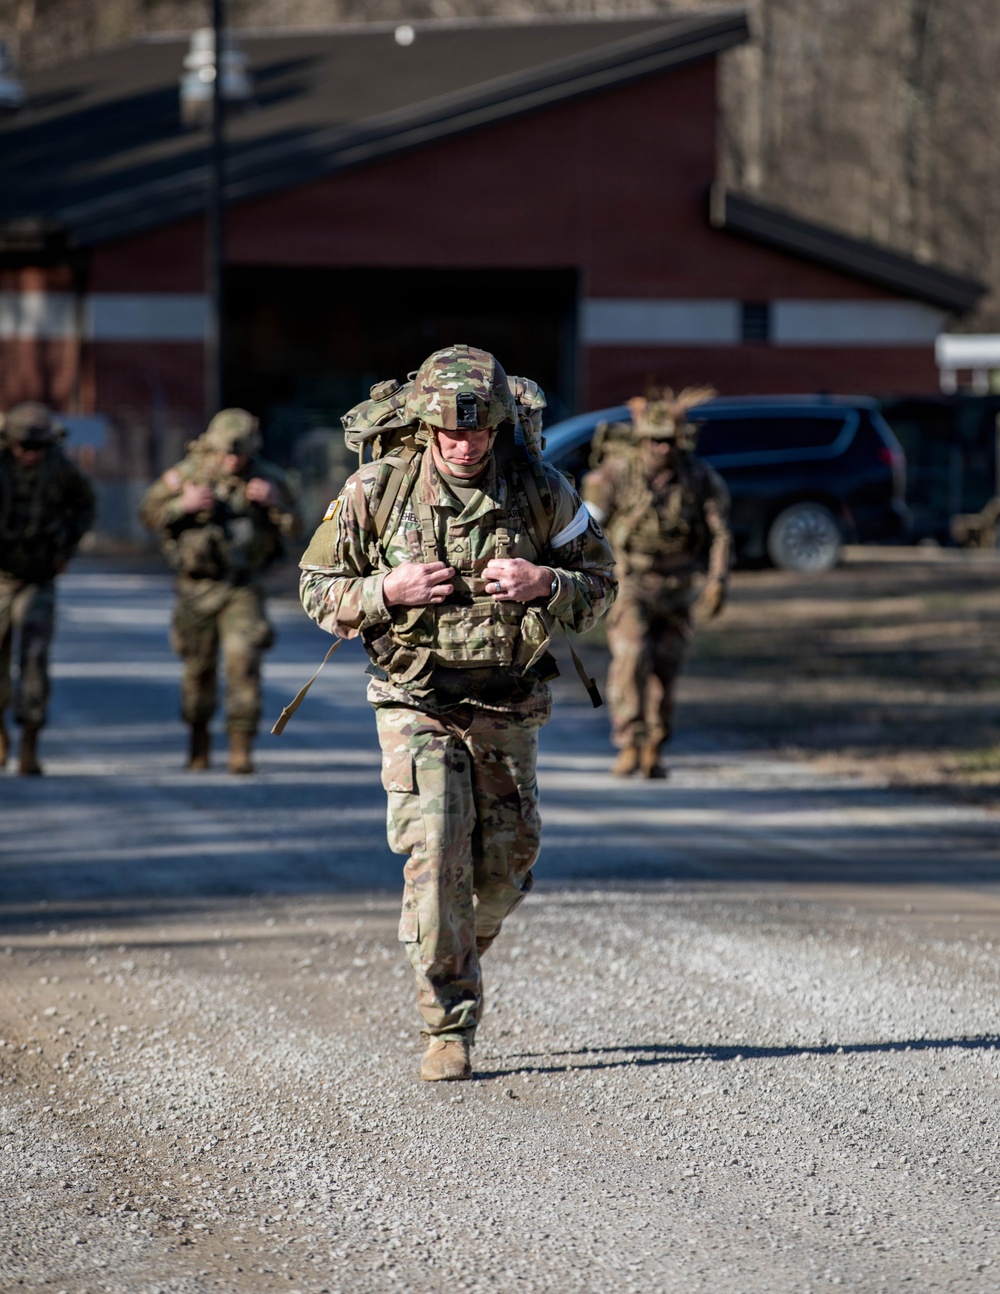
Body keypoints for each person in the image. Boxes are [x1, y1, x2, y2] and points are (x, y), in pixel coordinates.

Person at [299, 345, 617, 1082]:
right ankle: (448, 1021)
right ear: (424, 428)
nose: (461, 445)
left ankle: (444, 943)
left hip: (509, 700)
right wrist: (387, 592)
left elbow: (602, 584)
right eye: (446, 433)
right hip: (416, 698)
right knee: (438, 852)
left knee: (507, 867)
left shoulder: (541, 490)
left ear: (498, 426)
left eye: (475, 433)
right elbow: (317, 590)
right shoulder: (375, 490)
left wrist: (546, 583)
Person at [140, 408, 299, 775]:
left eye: (240, 454)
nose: (232, 461)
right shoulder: (187, 474)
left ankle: (240, 748)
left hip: (244, 587)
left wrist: (276, 503)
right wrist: (183, 504)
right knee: (198, 669)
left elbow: (301, 527)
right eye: (227, 453)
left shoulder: (268, 478)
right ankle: (198, 743)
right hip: (196, 589)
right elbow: (148, 513)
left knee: (243, 664)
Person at [581, 388, 730, 780]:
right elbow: (588, 527)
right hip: (631, 582)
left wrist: (718, 580)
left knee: (666, 669)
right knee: (631, 658)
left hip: (678, 587)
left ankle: (655, 746)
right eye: (655, 440)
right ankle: (629, 740)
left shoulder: (697, 476)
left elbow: (720, 532)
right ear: (642, 438)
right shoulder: (617, 472)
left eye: (669, 440)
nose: (662, 448)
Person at [0, 402, 95, 775]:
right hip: (0, 576)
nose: (31, 455)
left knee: (35, 660)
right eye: (24, 447)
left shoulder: (60, 469)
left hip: (38, 578)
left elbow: (85, 506)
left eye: (38, 448)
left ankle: (29, 744)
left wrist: (65, 549)